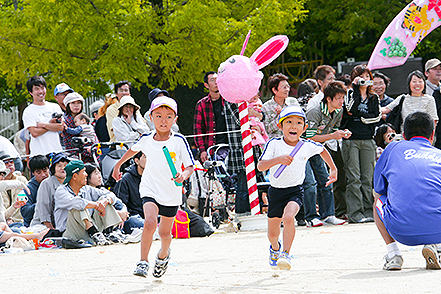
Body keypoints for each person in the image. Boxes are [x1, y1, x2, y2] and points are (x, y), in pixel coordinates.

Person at [112, 96, 194, 278]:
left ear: (175, 119)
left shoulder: (179, 140)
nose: (163, 121)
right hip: (150, 189)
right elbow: (133, 150)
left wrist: (183, 175)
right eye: (158, 116)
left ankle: (163, 255)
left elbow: (190, 166)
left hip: (171, 193)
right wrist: (118, 165)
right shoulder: (146, 139)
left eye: (168, 116)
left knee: (165, 233)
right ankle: (143, 262)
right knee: (149, 222)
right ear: (150, 117)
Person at [257, 105, 337, 270]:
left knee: (288, 218)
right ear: (280, 126)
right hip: (275, 191)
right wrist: (278, 159)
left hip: (295, 191)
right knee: (272, 234)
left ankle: (286, 253)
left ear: (304, 127)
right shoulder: (274, 144)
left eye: (299, 123)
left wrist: (333, 169)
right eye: (289, 122)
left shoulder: (306, 145)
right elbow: (260, 166)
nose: (294, 126)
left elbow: (322, 151)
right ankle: (275, 248)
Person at [374, 111, 441, 270]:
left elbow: (379, 188)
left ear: (403, 134)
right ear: (432, 135)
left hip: (400, 230)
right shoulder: (439, 154)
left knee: (378, 198)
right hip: (438, 228)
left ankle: (394, 255)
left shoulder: (392, 148)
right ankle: (437, 246)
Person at [340, 64, 381, 224]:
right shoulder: (350, 93)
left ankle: (368, 211)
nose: (365, 79)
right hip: (351, 140)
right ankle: (355, 214)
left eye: (367, 76)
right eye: (361, 76)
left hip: (368, 139)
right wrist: (357, 90)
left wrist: (361, 117)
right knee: (354, 178)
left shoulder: (374, 98)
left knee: (367, 178)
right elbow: (350, 109)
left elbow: (376, 117)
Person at [304, 81, 348, 226]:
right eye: (339, 98)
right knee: (310, 184)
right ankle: (310, 217)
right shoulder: (314, 111)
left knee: (326, 181)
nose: (342, 101)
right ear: (328, 99)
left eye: (343, 98)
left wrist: (342, 133)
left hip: (318, 149)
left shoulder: (338, 111)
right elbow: (309, 138)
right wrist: (332, 136)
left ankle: (328, 215)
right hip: (303, 151)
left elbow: (332, 130)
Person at [54, 160, 122, 245]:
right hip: (71, 233)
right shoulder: (61, 191)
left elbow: (111, 195)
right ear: (75, 176)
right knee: (78, 205)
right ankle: (94, 233)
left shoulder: (86, 188)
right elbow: (77, 203)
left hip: (89, 231)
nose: (86, 174)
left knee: (103, 199)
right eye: (83, 172)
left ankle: (110, 233)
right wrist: (96, 205)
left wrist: (104, 201)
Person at [84, 163, 131, 243]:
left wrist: (123, 212)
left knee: (133, 220)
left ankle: (115, 232)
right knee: (103, 200)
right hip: (93, 225)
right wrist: (116, 213)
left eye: (99, 173)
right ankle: (111, 233)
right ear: (87, 177)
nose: (99, 176)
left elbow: (119, 202)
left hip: (116, 222)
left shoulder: (102, 190)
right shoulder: (85, 190)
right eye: (96, 173)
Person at [22, 76, 64, 156]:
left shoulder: (55, 107)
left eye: (42, 88)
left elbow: (60, 127)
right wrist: (51, 125)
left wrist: (41, 124)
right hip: (39, 154)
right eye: (37, 89)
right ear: (31, 92)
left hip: (57, 152)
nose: (41, 91)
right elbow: (34, 132)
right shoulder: (28, 111)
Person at [193, 71, 228, 163]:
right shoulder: (201, 104)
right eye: (212, 80)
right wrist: (202, 150)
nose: (216, 82)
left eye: (218, 79)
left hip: (231, 147)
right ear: (206, 85)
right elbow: (198, 130)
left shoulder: (229, 101)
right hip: (211, 149)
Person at [30, 153, 70, 230]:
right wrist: (53, 231)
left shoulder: (70, 182)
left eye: (65, 165)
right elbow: (44, 212)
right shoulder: (46, 183)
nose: (63, 168)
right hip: (43, 227)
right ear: (53, 168)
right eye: (59, 166)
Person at [113, 152, 146, 235]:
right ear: (137, 161)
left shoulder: (152, 177)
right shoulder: (125, 179)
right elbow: (119, 204)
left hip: (151, 216)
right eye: (145, 157)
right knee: (136, 221)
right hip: (133, 217)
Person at [262, 73, 299, 140]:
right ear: (274, 90)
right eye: (284, 87)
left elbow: (300, 121)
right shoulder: (266, 107)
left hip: (294, 141)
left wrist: (285, 112)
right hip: (276, 144)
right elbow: (267, 130)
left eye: (288, 87)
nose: (287, 89)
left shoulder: (293, 102)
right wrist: (281, 116)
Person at [61, 92, 96, 162]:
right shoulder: (65, 120)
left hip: (90, 152)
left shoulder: (84, 117)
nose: (76, 106)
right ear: (68, 105)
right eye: (73, 103)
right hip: (73, 154)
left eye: (79, 103)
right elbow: (69, 140)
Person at [20, 155, 50, 227]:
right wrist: (42, 204)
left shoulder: (54, 182)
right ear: (33, 173)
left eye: (45, 170)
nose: (43, 175)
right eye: (39, 172)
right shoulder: (28, 189)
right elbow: (25, 212)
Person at [0, 153, 28, 227]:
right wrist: (8, 219)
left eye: (11, 161)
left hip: (20, 220)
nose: (10, 164)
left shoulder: (22, 179)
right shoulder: (2, 184)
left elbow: (27, 200)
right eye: (6, 163)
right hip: (3, 222)